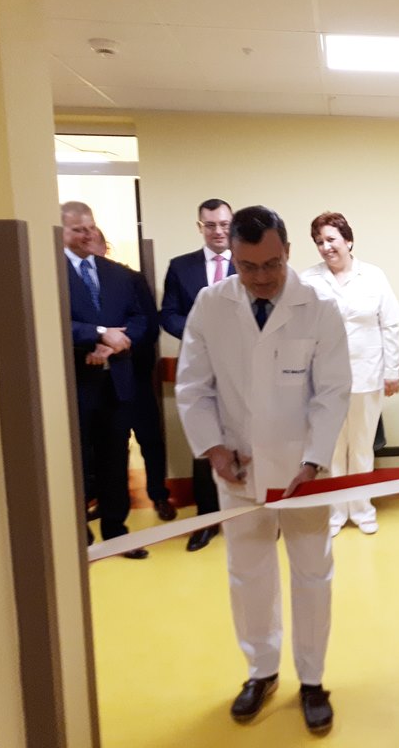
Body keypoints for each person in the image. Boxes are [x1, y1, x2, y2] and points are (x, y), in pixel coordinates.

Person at [175, 205, 351, 734]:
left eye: (271, 264)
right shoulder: (211, 305)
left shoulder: (318, 305)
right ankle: (261, 671)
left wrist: (314, 458)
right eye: (248, 266)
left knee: (312, 574)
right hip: (239, 469)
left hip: (304, 473)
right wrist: (213, 449)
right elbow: (193, 387)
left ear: (287, 252)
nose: (261, 277)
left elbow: (332, 392)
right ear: (232, 257)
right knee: (248, 575)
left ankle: (313, 679)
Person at [301, 212, 399, 536]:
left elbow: (389, 325)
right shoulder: (308, 280)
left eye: (331, 239)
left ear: (348, 240)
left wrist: (391, 371)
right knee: (330, 449)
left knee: (361, 447)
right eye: (319, 242)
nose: (326, 247)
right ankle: (334, 513)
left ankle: (361, 509)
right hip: (324, 380)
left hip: (367, 375)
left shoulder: (373, 276)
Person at [62, 202, 151, 559]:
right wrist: (98, 335)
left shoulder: (117, 274)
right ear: (61, 231)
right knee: (78, 461)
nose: (87, 235)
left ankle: (116, 531)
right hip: (75, 384)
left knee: (115, 458)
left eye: (91, 227)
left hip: (116, 382)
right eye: (78, 229)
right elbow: (55, 320)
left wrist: (114, 344)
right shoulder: (50, 272)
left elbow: (140, 319)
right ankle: (78, 535)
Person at [160, 198, 235, 551]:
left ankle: (252, 515)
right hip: (199, 368)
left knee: (248, 437)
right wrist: (199, 332)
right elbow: (168, 314)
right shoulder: (181, 267)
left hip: (242, 368)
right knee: (206, 441)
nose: (218, 231)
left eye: (224, 224)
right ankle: (207, 520)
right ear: (200, 227)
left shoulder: (250, 262)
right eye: (211, 225)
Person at [92, 227, 177, 522]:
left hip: (135, 373)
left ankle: (158, 495)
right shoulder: (71, 283)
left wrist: (119, 345)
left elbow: (149, 326)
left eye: (94, 244)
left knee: (150, 439)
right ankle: (108, 501)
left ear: (105, 247)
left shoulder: (130, 279)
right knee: (108, 445)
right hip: (96, 381)